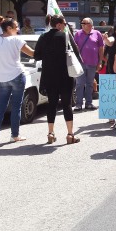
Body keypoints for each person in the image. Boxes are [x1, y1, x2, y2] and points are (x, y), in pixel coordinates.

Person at [34, 14, 82, 145]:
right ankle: (70, 134)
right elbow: (76, 54)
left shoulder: (43, 37)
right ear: (59, 24)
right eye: (65, 24)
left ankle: (50, 133)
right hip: (65, 75)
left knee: (52, 104)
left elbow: (36, 56)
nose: (65, 26)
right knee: (66, 104)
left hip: (49, 75)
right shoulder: (65, 36)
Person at [0, 19, 34, 144]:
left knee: (0, 107)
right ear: (9, 28)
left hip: (2, 78)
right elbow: (32, 53)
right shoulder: (16, 40)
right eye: (16, 26)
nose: (18, 29)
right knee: (16, 107)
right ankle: (14, 135)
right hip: (17, 75)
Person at [73, 18, 104, 112]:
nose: (82, 24)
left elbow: (101, 48)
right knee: (79, 84)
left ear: (90, 25)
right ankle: (78, 104)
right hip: (80, 63)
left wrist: (100, 62)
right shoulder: (78, 34)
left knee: (90, 84)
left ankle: (89, 103)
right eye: (82, 23)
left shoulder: (97, 33)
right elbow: (74, 48)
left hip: (92, 63)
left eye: (84, 23)